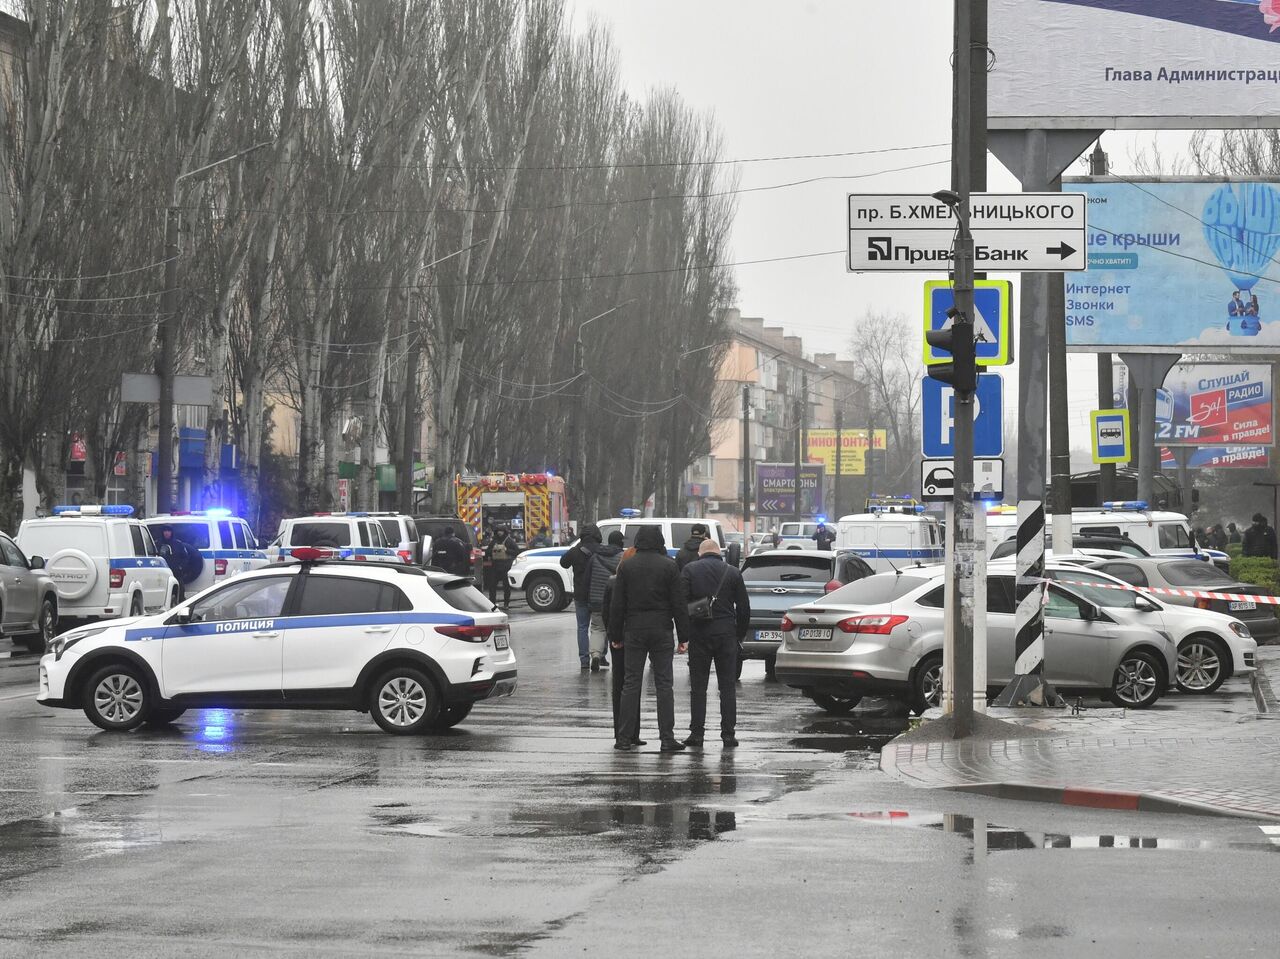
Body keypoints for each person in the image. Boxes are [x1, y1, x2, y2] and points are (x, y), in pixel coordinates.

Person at [609, 525, 691, 752]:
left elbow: (618, 604)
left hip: (634, 630)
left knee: (631, 683)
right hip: (662, 630)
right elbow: (678, 603)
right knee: (664, 684)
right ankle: (667, 738)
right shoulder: (669, 566)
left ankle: (624, 738)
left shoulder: (627, 566)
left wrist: (615, 635)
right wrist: (683, 636)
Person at [679, 538, 750, 749]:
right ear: (719, 553)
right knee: (727, 687)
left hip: (699, 634)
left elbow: (681, 603)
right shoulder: (733, 572)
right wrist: (739, 635)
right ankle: (728, 734)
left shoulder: (690, 570)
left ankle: (697, 734)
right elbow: (744, 608)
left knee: (698, 687)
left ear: (700, 553)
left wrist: (684, 635)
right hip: (726, 634)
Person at [603, 534, 644, 747]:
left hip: (618, 639)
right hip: (633, 636)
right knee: (632, 684)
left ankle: (622, 732)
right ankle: (632, 732)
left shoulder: (612, 582)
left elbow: (607, 613)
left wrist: (613, 636)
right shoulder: (634, 583)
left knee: (621, 685)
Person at [560, 523, 604, 670]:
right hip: (599, 595)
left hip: (581, 595)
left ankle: (584, 660)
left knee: (582, 627)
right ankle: (600, 655)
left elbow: (563, 563)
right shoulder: (602, 550)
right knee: (601, 627)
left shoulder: (576, 550)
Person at [584, 531, 625, 671]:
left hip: (596, 600)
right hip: (615, 601)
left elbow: (587, 578)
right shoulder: (622, 557)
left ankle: (595, 654)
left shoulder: (595, 556)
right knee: (614, 629)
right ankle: (618, 660)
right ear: (621, 542)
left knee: (597, 629)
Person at [156, 525, 201, 598]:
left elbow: (185, 557)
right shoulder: (157, 544)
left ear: (172, 532)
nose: (167, 533)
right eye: (165, 531)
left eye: (168, 531)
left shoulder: (178, 544)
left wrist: (181, 567)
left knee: (179, 593)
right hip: (161, 574)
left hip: (176, 573)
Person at [483, 526, 516, 609]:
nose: (499, 533)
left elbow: (516, 551)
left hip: (506, 566)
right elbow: (487, 552)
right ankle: (492, 604)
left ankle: (506, 604)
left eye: (501, 531)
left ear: (504, 532)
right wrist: (492, 551)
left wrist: (507, 550)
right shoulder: (494, 541)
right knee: (492, 586)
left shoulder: (509, 541)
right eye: (498, 531)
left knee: (506, 586)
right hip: (495, 566)